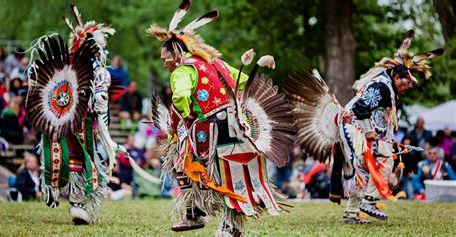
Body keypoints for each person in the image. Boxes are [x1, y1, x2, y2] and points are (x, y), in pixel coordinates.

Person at [148, 1, 296, 235]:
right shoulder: (215, 63)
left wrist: (185, 116)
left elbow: (181, 98)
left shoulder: (182, 70)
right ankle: (223, 224)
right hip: (238, 126)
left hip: (211, 130)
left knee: (182, 158)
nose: (164, 63)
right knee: (235, 175)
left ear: (176, 53)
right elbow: (245, 80)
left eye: (164, 58)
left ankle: (196, 213)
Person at [284, 30, 444, 224]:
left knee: (376, 162)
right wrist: (369, 132)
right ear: (396, 77)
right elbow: (361, 108)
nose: (410, 85)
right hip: (353, 127)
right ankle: (368, 201)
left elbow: (380, 119)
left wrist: (386, 138)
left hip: (359, 128)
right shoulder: (381, 87)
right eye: (407, 81)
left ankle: (352, 213)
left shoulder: (388, 89)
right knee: (365, 167)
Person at [25, 5, 123, 225]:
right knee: (76, 160)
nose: (101, 53)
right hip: (70, 122)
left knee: (74, 159)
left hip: (65, 122)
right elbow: (99, 105)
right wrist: (107, 138)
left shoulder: (80, 69)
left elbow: (36, 76)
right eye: (99, 49)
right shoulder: (96, 72)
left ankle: (67, 197)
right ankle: (73, 201)